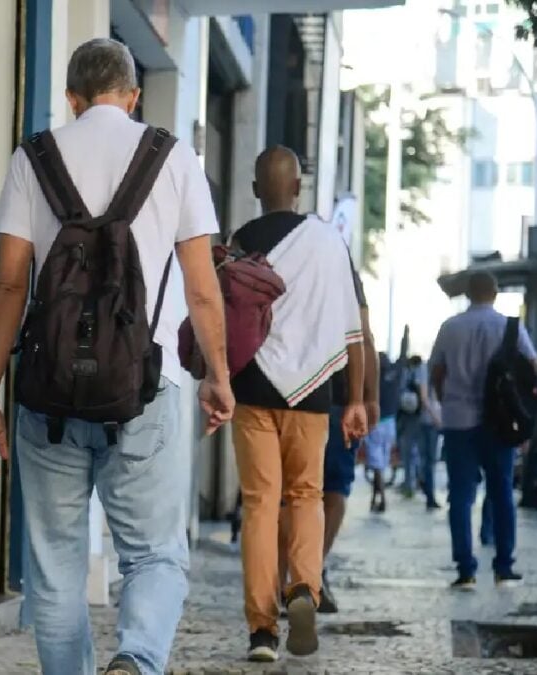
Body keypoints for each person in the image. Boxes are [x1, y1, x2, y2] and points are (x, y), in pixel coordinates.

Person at [0, 38, 232, 675]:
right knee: (154, 555)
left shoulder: (33, 158)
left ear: (72, 97)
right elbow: (202, 288)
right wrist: (218, 377)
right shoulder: (173, 157)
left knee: (56, 567)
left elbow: (9, 284)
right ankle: (136, 661)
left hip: (48, 391)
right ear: (133, 96)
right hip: (146, 385)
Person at [228, 146, 366, 662]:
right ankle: (304, 586)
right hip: (313, 392)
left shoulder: (241, 241)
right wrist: (356, 399)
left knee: (261, 505)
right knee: (307, 495)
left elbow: (223, 317)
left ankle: (262, 631)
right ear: (298, 188)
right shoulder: (330, 243)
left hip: (253, 389)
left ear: (255, 189)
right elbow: (354, 328)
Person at [275, 237, 380, 616]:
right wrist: (368, 397)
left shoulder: (285, 262)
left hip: (289, 392)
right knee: (332, 489)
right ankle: (310, 576)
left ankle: (285, 580)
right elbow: (363, 336)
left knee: (289, 493)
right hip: (334, 397)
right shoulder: (344, 273)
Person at [430, 271, 537, 589]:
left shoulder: (450, 327)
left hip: (458, 420)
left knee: (461, 496)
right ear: (495, 293)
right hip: (499, 422)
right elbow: (533, 366)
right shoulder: (509, 327)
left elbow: (437, 370)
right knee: (502, 491)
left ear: (468, 293)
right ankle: (503, 566)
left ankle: (466, 569)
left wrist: (445, 400)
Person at [397, 355, 440, 507]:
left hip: (426, 419)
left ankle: (422, 486)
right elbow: (424, 397)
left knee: (424, 457)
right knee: (428, 459)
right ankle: (427, 492)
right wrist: (437, 418)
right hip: (428, 420)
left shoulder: (422, 370)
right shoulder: (424, 370)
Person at [365, 352, 402, 513]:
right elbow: (402, 356)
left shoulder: (372, 379)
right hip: (390, 423)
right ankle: (375, 498)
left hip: (375, 423)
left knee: (376, 464)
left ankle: (382, 498)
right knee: (381, 463)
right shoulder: (395, 376)